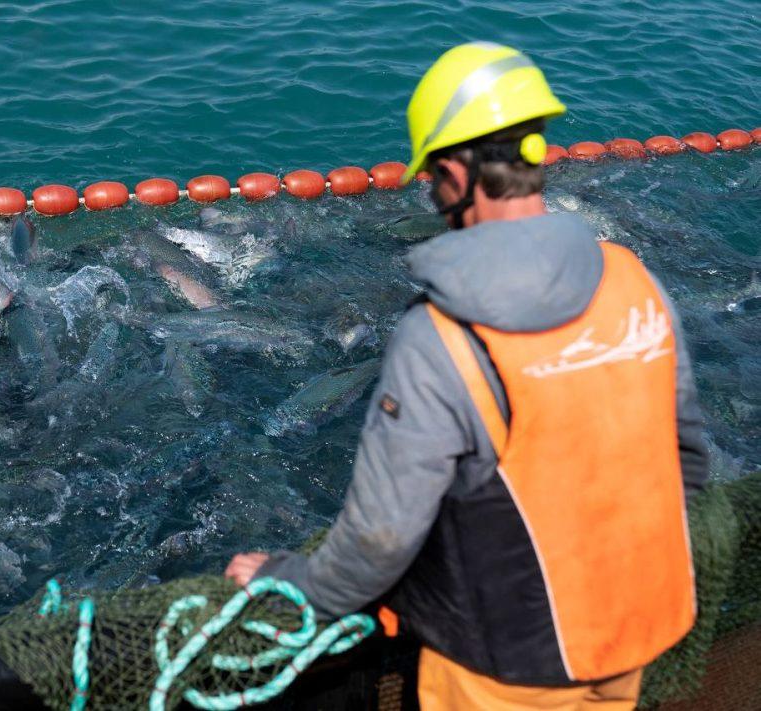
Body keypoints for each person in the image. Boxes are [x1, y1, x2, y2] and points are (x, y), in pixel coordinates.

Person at [225, 42, 707, 710]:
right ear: (534, 151)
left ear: (453, 174)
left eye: (431, 178)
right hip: (636, 625)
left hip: (509, 663)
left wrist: (288, 576)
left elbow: (381, 539)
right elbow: (688, 459)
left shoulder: (441, 335)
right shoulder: (635, 281)